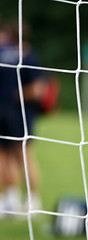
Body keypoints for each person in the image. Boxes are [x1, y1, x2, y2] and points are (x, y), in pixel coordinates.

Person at [0, 21, 44, 216]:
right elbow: (37, 89)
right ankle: (17, 199)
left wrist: (14, 95)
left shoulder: (23, 56)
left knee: (16, 155)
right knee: (13, 156)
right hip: (11, 114)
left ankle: (24, 199)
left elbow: (37, 90)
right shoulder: (24, 54)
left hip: (16, 113)